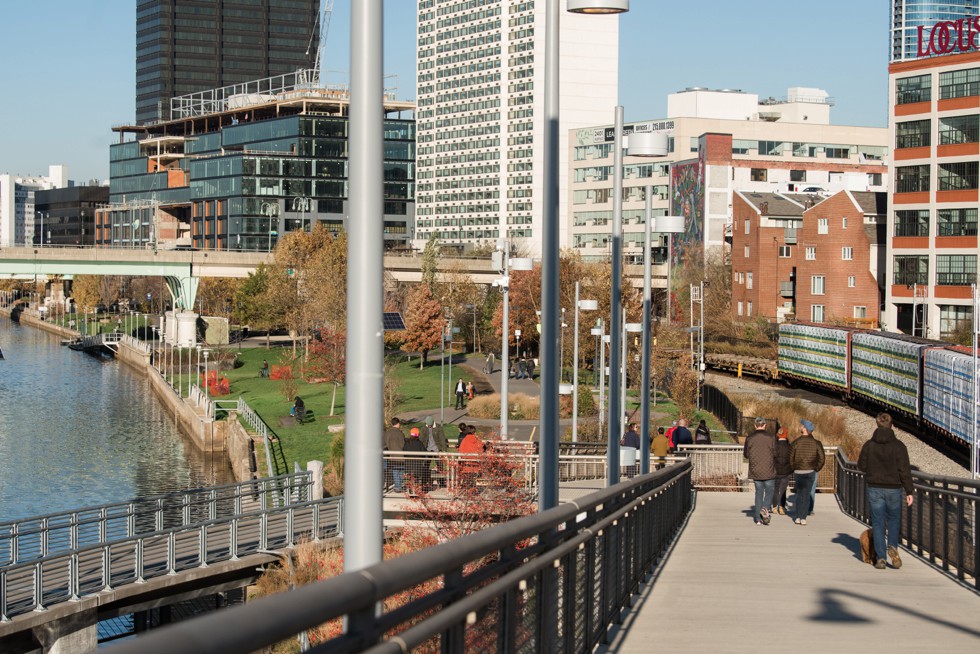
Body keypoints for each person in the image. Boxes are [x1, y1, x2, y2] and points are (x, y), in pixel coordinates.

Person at [858, 412, 914, 569]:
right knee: (894, 520)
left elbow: (861, 466)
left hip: (875, 488)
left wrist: (872, 470)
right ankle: (893, 547)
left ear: (877, 424)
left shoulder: (869, 445)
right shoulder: (899, 446)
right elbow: (904, 471)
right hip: (894, 490)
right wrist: (909, 491)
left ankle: (881, 558)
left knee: (878, 522)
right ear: (892, 425)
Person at [790, 419, 825, 526]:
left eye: (803, 426)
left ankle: (798, 517)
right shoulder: (817, 443)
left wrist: (794, 468)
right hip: (810, 471)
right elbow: (822, 458)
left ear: (805, 429)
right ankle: (804, 517)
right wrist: (816, 468)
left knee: (799, 494)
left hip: (799, 472)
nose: (801, 427)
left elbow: (791, 457)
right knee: (806, 494)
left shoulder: (796, 442)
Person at [744, 416, 776, 525]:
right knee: (770, 491)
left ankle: (758, 519)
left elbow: (746, 454)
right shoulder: (771, 438)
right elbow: (775, 453)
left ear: (755, 425)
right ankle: (766, 508)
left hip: (755, 469)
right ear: (765, 425)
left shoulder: (749, 438)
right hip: (769, 470)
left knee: (758, 494)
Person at [402, 427, 431, 491]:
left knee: (411, 478)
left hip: (408, 466)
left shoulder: (407, 443)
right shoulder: (419, 443)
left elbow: (404, 452)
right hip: (418, 466)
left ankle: (411, 489)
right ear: (418, 435)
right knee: (417, 478)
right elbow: (424, 453)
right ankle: (417, 490)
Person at [772, 427, 792, 515]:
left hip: (775, 471)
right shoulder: (789, 447)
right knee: (783, 489)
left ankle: (775, 507)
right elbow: (792, 460)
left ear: (778, 435)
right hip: (786, 471)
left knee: (775, 489)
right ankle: (782, 507)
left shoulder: (774, 446)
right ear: (786, 435)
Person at [383, 417, 407, 492]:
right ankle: (400, 486)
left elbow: (385, 443)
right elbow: (403, 444)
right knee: (401, 471)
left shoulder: (388, 433)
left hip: (392, 455)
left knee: (395, 471)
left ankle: (397, 486)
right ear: (398, 423)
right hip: (401, 455)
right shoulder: (400, 433)